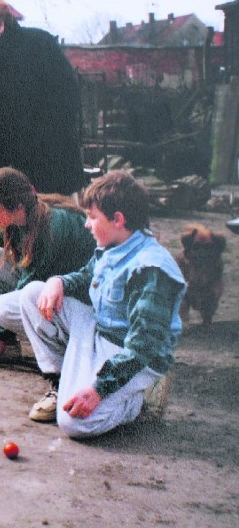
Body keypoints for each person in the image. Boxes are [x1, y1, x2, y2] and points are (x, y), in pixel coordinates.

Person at [19, 171, 186, 438]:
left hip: (133, 355)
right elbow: (86, 276)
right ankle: (62, 382)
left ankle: (135, 400)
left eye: (92, 217)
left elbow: (142, 348)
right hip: (99, 331)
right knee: (33, 294)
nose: (87, 224)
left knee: (74, 424)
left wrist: (99, 390)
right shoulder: (115, 244)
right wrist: (58, 281)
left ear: (117, 219)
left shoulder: (151, 270)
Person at [0, 167, 96, 421]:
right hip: (48, 288)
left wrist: (0, 329)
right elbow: (18, 268)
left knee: (7, 305)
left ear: (16, 205)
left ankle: (59, 376)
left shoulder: (53, 224)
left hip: (79, 303)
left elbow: (30, 284)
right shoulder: (20, 220)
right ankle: (0, 345)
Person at [0, 0, 87, 198]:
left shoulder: (39, 45)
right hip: (7, 171)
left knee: (56, 227)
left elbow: (66, 104)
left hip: (52, 167)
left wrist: (33, 173)